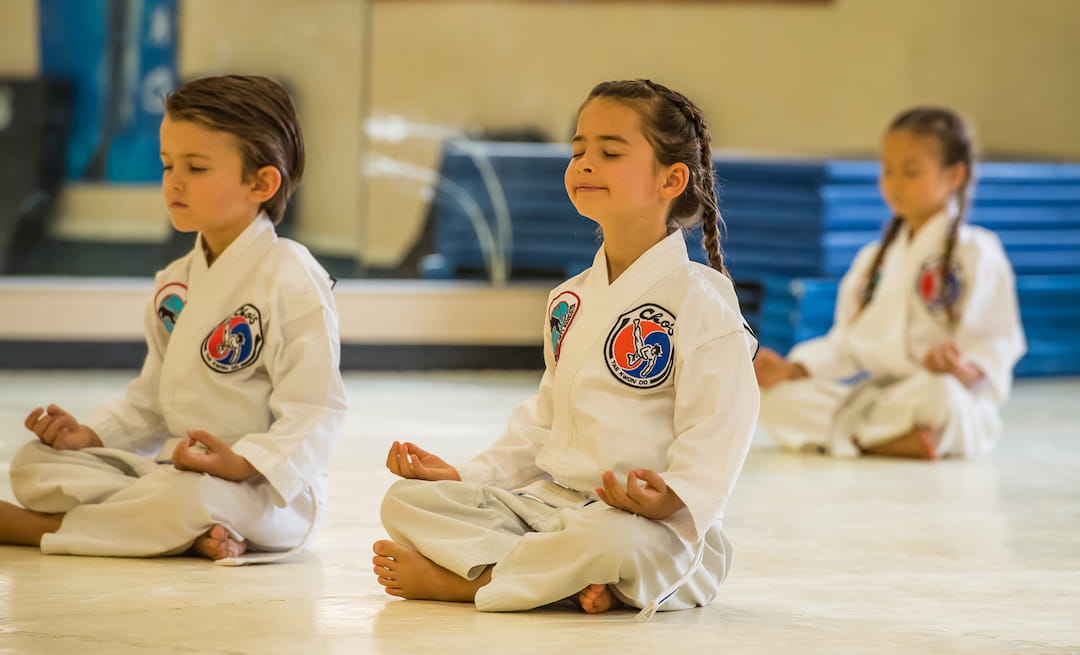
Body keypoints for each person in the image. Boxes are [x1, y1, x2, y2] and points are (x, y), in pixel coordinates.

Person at [372, 79, 759, 620]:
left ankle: (471, 582)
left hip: (648, 527)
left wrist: (672, 496)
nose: (585, 164)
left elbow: (723, 425)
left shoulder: (701, 299)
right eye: (578, 150)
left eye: (609, 152)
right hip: (551, 509)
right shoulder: (569, 298)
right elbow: (542, 424)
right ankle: (565, 582)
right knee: (407, 502)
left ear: (671, 179)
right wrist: (464, 476)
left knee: (612, 543)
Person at [1, 75, 346, 563]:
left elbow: (317, 411)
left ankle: (44, 529)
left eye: (197, 167)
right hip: (177, 472)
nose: (174, 182)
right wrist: (89, 436)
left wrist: (242, 463)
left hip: (268, 492)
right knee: (35, 464)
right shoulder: (176, 281)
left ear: (261, 183)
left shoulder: (291, 276)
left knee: (191, 499)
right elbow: (151, 400)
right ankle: (196, 535)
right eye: (167, 165)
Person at [754, 106, 1026, 459]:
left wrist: (959, 366)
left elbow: (995, 345)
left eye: (911, 172)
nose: (895, 183)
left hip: (942, 394)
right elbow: (847, 345)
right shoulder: (873, 259)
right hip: (882, 397)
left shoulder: (978, 252)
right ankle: (891, 440)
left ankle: (864, 438)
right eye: (888, 170)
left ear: (955, 175)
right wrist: (795, 368)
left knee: (940, 394)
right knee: (773, 398)